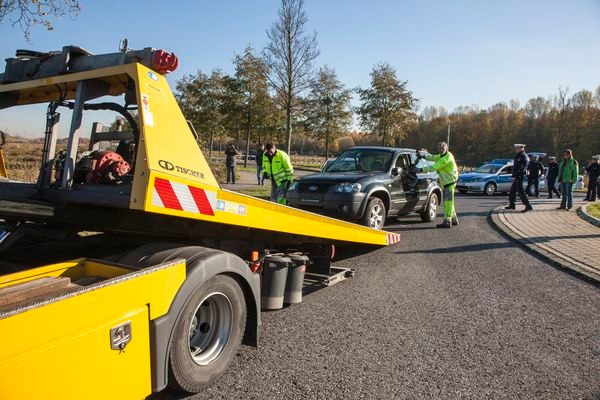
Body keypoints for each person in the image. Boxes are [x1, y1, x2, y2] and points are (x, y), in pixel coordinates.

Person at [417, 141, 459, 228]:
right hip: (449, 182)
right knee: (450, 201)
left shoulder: (446, 159)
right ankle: (453, 219)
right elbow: (433, 157)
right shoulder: (443, 155)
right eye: (440, 148)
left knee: (447, 202)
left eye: (443, 148)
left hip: (449, 182)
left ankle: (447, 221)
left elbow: (434, 167)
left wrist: (420, 170)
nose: (441, 149)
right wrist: (423, 156)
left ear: (446, 148)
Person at [505, 144, 533, 212]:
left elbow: (521, 167)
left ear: (521, 148)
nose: (516, 149)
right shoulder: (519, 155)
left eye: (517, 148)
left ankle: (528, 205)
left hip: (519, 176)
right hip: (517, 176)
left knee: (520, 192)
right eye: (515, 148)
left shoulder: (522, 156)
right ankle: (512, 204)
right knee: (512, 192)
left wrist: (516, 175)